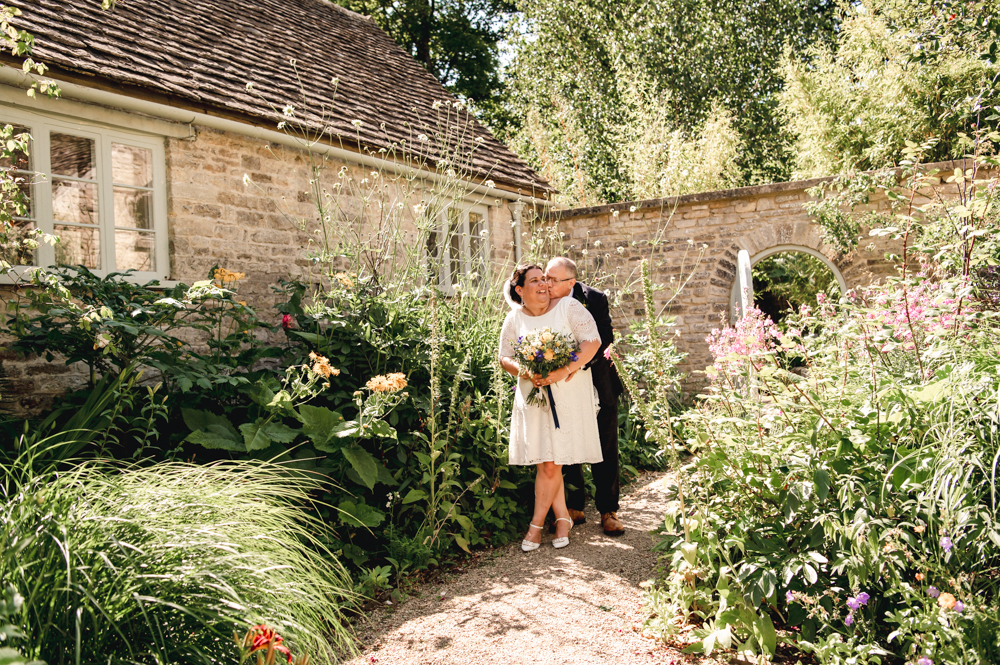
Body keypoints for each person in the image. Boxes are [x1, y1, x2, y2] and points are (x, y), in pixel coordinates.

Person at [498, 264, 604, 551]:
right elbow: (505, 357)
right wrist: (525, 369)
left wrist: (563, 370)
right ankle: (562, 518)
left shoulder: (568, 307)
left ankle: (535, 526)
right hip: (534, 395)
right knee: (549, 459)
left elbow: (592, 342)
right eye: (535, 280)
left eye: (545, 278)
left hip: (568, 392)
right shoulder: (514, 318)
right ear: (520, 290)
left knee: (550, 462)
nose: (544, 284)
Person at [545, 257, 626, 536]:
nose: (547, 283)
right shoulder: (544, 300)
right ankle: (574, 505)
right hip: (562, 385)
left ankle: (608, 510)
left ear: (571, 282)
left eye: (553, 279)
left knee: (605, 445)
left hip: (598, 380)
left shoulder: (595, 298)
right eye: (545, 277)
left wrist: (573, 365)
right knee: (567, 441)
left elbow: (604, 338)